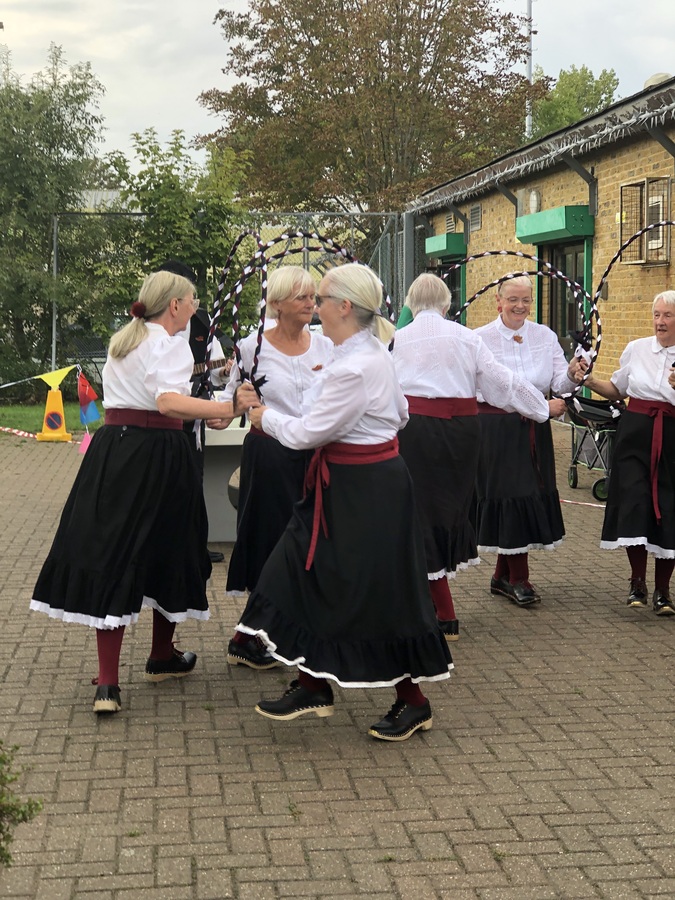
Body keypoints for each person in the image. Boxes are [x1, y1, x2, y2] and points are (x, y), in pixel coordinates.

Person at [236, 263, 453, 742]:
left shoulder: (357, 364)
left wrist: (261, 415)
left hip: (366, 489)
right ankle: (312, 683)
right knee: (301, 570)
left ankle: (413, 701)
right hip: (352, 482)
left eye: (322, 298)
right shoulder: (359, 352)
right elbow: (400, 413)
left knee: (380, 590)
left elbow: (306, 433)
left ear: (344, 307)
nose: (315, 307)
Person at [30, 271, 259, 714]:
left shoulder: (127, 338)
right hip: (159, 454)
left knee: (114, 550)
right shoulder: (169, 342)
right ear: (174, 305)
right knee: (171, 547)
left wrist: (214, 410)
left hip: (116, 450)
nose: (196, 307)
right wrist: (227, 407)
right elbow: (168, 403)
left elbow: (162, 398)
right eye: (192, 300)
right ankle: (159, 655)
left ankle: (111, 683)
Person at [392, 274, 551, 638]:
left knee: (418, 509)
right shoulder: (468, 337)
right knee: (449, 509)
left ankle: (442, 611)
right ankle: (436, 600)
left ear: (410, 305)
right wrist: (539, 407)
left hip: (415, 431)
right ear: (447, 305)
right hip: (463, 434)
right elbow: (501, 381)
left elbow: (386, 390)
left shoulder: (396, 340)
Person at [210, 266, 333, 670]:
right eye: (302, 297)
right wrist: (230, 407)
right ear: (276, 303)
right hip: (270, 457)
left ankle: (283, 630)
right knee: (271, 543)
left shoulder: (325, 346)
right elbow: (227, 408)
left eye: (313, 297)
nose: (311, 304)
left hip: (315, 456)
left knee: (310, 545)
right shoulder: (252, 348)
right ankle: (248, 636)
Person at [570, 290, 675, 616]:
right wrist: (588, 379)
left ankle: (662, 591)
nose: (660, 321)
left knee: (668, 508)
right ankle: (637, 582)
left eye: (667, 315)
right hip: (633, 434)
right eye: (657, 314)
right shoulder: (636, 349)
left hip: (671, 438)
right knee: (634, 501)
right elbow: (618, 390)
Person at [473, 275, 574, 606]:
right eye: (513, 299)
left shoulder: (544, 336)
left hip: (535, 428)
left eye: (526, 300)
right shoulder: (479, 339)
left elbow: (560, 381)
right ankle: (519, 579)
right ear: (498, 302)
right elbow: (489, 388)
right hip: (498, 431)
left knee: (528, 494)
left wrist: (574, 373)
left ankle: (502, 576)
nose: (520, 306)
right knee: (512, 495)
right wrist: (542, 406)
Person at [158, 259, 231, 564]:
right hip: (159, 426)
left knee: (193, 480)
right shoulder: (147, 330)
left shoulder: (205, 325)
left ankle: (194, 547)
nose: (193, 304)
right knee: (161, 485)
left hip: (193, 422)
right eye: (190, 298)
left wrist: (225, 373)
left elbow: (217, 372)